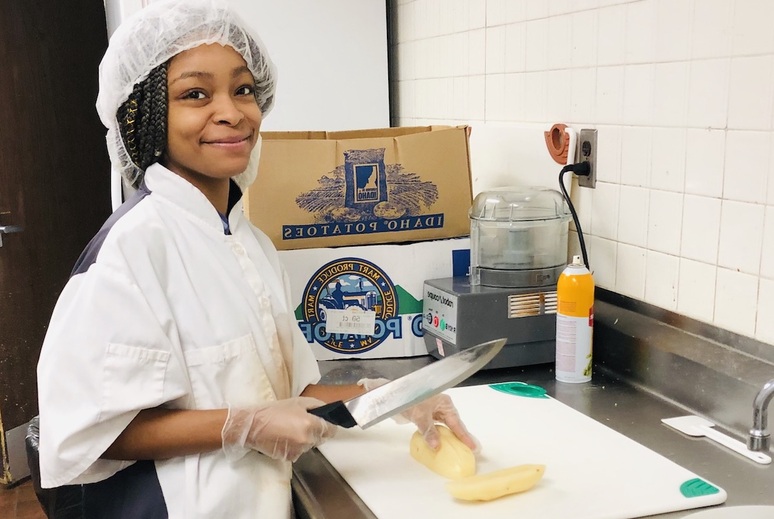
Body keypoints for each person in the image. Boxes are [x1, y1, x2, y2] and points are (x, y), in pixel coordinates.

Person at [35, 1, 478, 517]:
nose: (232, 111)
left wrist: (390, 397)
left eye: (243, 89)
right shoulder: (133, 249)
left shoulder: (251, 244)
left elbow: (291, 393)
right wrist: (243, 425)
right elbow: (89, 432)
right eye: (195, 94)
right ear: (147, 116)